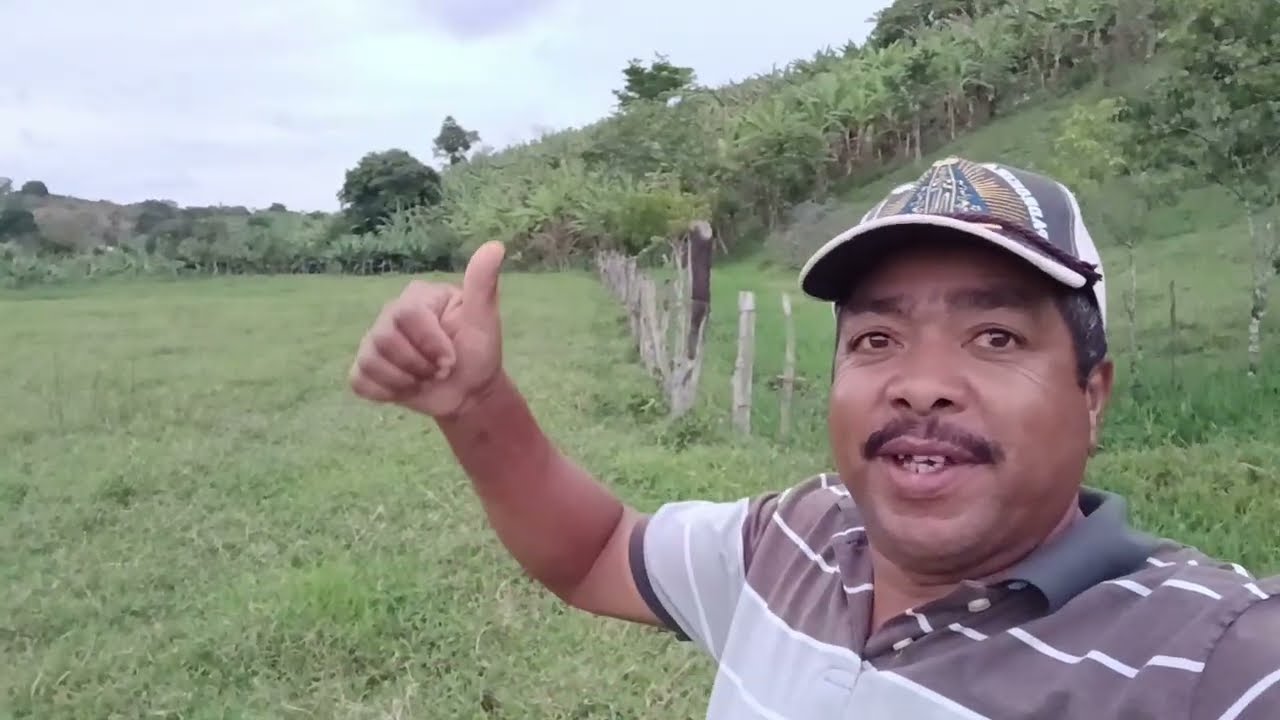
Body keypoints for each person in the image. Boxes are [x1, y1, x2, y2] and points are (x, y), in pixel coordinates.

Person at [348, 156, 1279, 719]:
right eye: (877, 338)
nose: (920, 383)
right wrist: (476, 403)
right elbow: (594, 552)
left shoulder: (1205, 663)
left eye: (995, 337)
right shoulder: (790, 540)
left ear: (1092, 395)